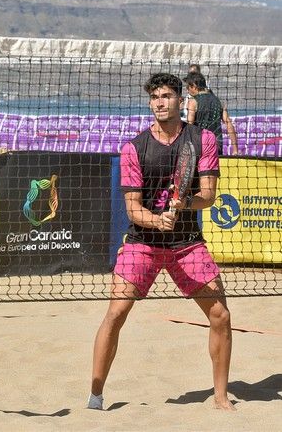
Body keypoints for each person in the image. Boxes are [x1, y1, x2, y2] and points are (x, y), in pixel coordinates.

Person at [88, 73, 235, 411]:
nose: (159, 102)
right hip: (143, 242)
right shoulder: (134, 148)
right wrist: (157, 220)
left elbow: (209, 196)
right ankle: (95, 395)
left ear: (181, 99)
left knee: (220, 315)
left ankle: (221, 396)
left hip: (187, 242)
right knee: (116, 313)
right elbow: (133, 209)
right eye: (154, 97)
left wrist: (185, 204)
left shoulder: (203, 140)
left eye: (166, 96)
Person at [184, 71, 239, 155]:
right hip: (217, 144)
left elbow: (190, 125)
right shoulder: (219, 101)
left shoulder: (193, 101)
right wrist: (235, 150)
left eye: (188, 87)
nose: (187, 90)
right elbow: (229, 124)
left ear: (194, 86)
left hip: (200, 145)